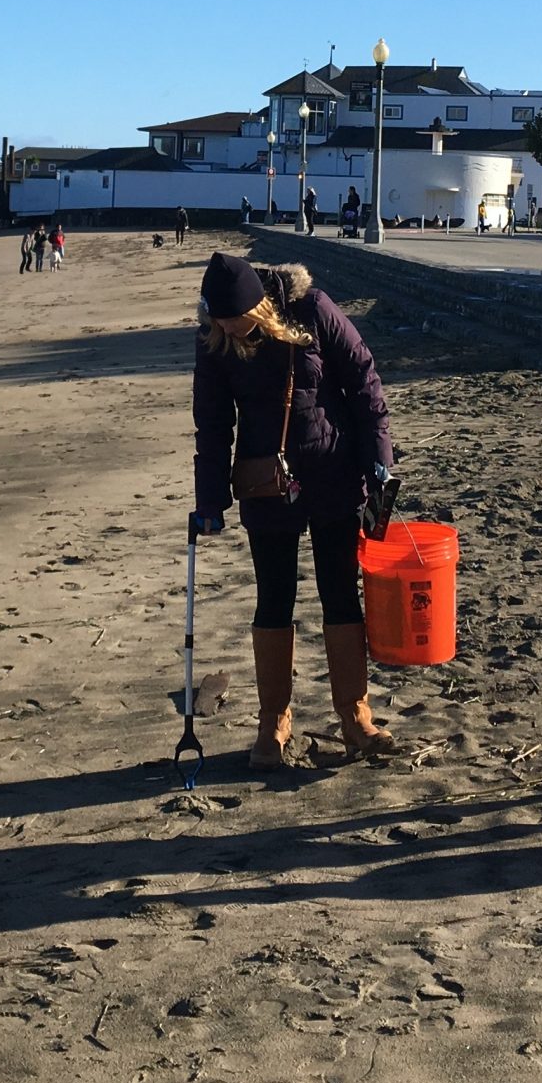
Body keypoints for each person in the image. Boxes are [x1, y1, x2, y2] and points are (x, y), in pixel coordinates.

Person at [191, 252, 398, 767]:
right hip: (267, 486)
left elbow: (365, 383)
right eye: (219, 323)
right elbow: (212, 426)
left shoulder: (315, 310)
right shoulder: (214, 340)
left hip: (333, 475)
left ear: (258, 307)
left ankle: (355, 717)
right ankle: (273, 725)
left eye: (235, 322)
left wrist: (379, 462)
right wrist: (210, 499)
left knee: (339, 594)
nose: (228, 331)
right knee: (273, 600)